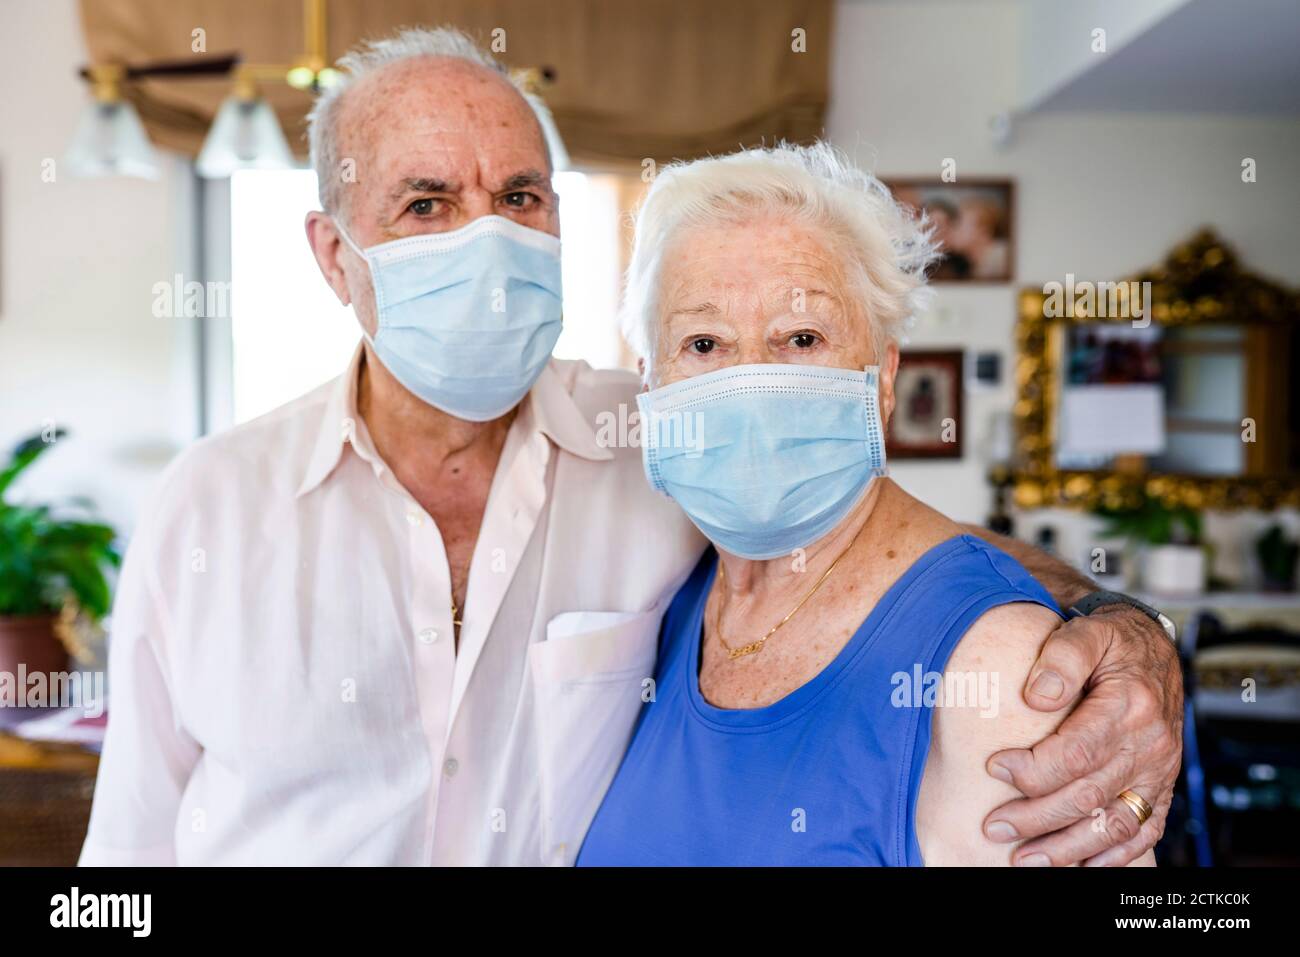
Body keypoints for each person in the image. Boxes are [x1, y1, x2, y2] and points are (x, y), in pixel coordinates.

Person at [82, 28, 1180, 867]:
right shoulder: (209, 510)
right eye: (426, 203)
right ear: (333, 254)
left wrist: (1128, 636)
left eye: (519, 196)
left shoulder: (664, 440)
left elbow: (894, 554)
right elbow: (125, 855)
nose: (487, 235)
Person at [578, 143, 1171, 865]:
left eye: (802, 337)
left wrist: (1137, 623)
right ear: (649, 384)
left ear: (884, 375)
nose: (752, 387)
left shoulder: (1000, 671)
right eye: (703, 342)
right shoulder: (675, 593)